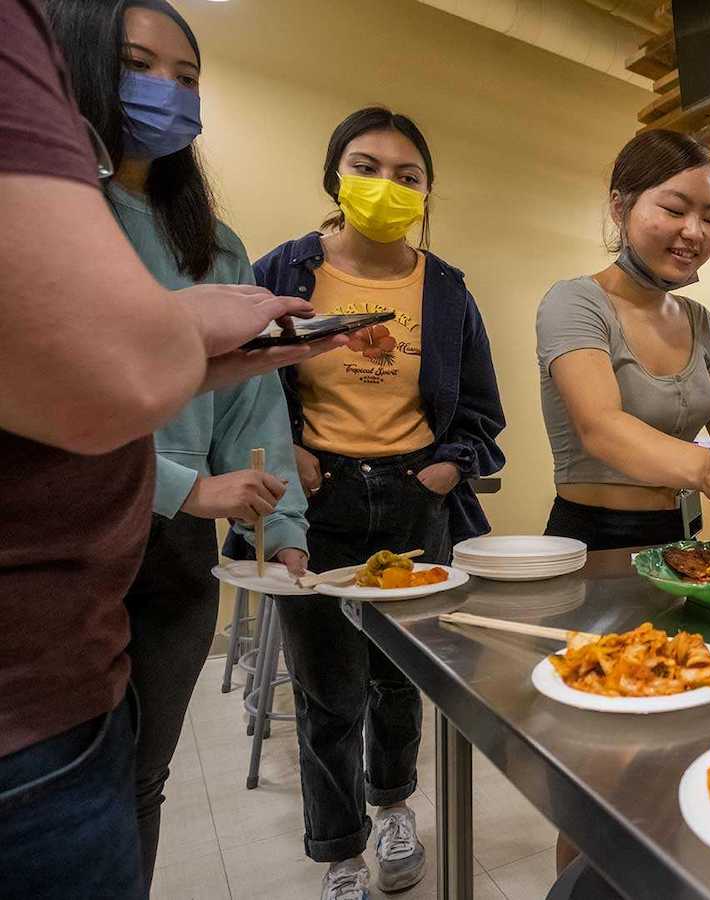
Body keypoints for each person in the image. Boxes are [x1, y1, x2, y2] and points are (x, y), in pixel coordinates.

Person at [0, 0, 338, 894]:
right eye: (140, 65)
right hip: (67, 539)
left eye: (187, 77)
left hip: (175, 551)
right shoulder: (55, 206)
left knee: (136, 778)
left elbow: (250, 397)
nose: (166, 91)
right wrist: (188, 488)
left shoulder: (214, 242)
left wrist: (285, 517)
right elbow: (78, 389)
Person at [252, 107, 506, 899]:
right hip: (318, 498)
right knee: (327, 687)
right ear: (334, 175)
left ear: (427, 193)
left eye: (408, 177)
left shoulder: (448, 291)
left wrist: (448, 467)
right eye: (365, 168)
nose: (385, 188)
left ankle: (392, 804)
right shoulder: (284, 271)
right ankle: (340, 854)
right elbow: (238, 384)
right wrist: (282, 439)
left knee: (401, 681)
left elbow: (478, 410)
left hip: (412, 498)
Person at [537, 128, 710, 551]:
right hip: (595, 540)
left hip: (679, 539)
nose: (695, 232)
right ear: (619, 206)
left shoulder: (700, 321)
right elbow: (601, 427)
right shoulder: (575, 302)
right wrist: (704, 468)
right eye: (675, 209)